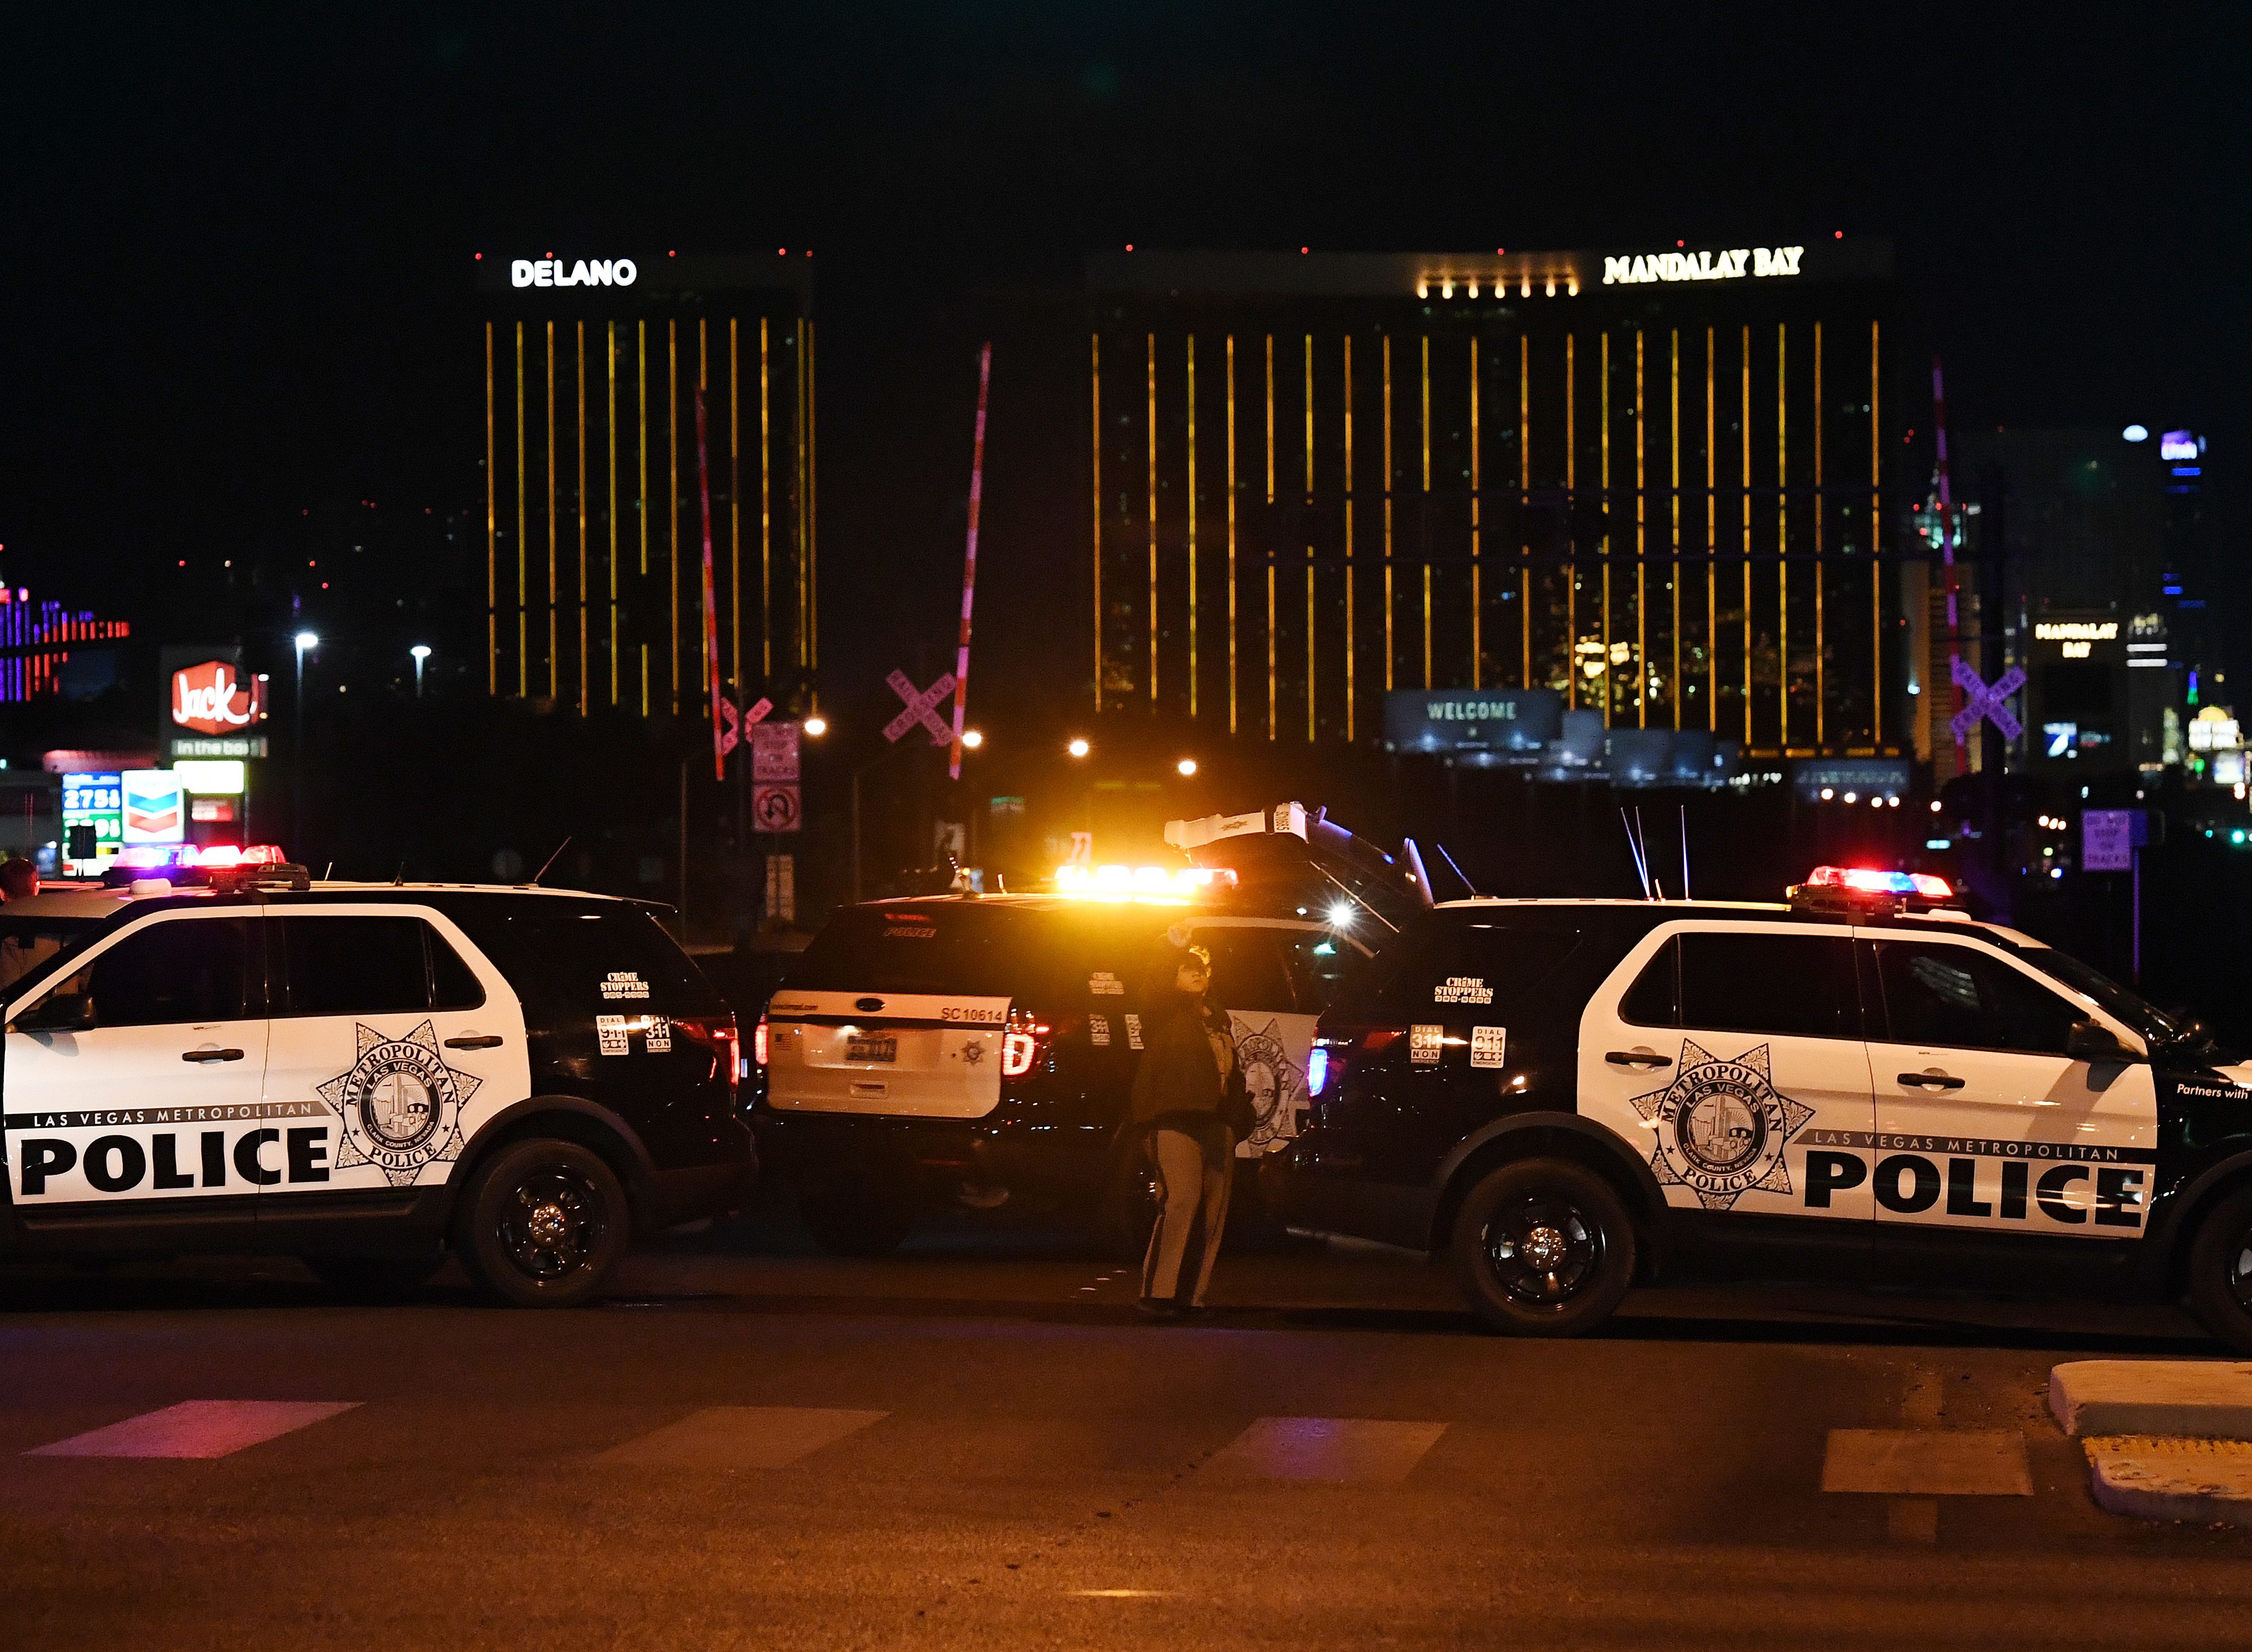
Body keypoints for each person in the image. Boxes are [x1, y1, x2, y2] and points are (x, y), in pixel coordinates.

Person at [1127, 935, 1249, 1319]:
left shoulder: (1217, 1017)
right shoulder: (1163, 1012)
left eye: (1202, 968)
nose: (1197, 974)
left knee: (1213, 1213)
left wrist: (1239, 1116)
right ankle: (1157, 1294)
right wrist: (1170, 945)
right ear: (1171, 975)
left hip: (1217, 1124)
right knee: (1180, 1202)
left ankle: (1193, 1298)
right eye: (1187, 968)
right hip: (1173, 1120)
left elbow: (1232, 1075)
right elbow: (1151, 985)